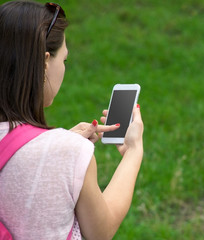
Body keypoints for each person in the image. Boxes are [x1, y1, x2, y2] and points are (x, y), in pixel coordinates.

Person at [0, 1, 144, 239]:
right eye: (63, 60)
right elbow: (101, 231)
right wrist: (133, 152)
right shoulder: (68, 151)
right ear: (45, 61)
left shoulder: (64, 147)